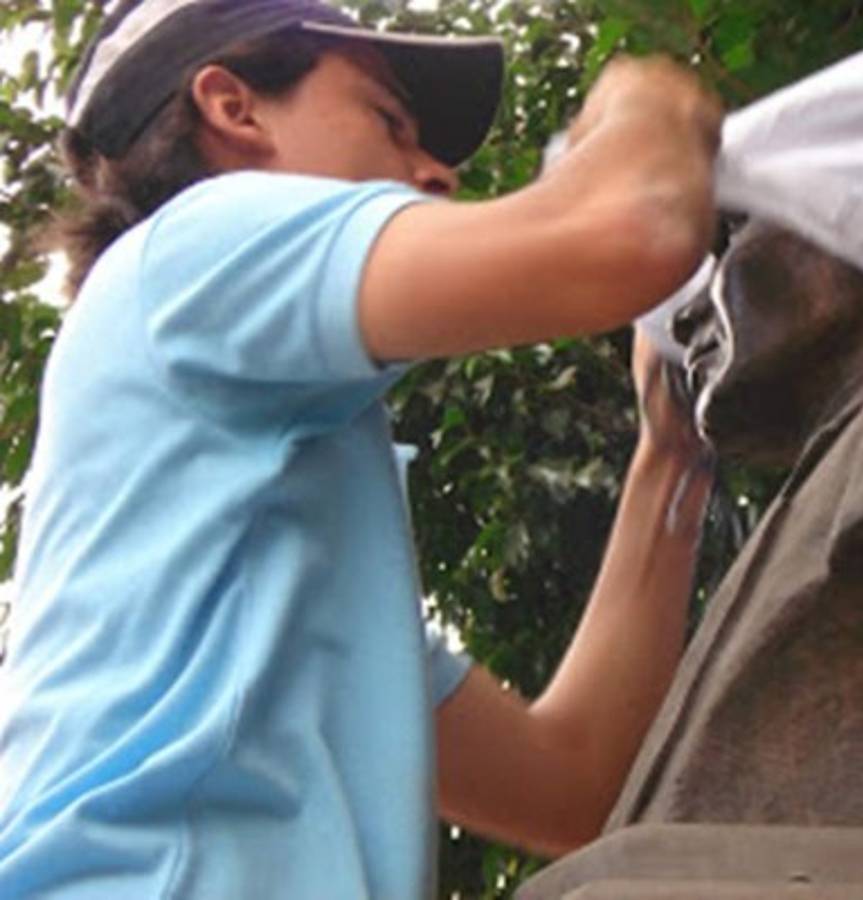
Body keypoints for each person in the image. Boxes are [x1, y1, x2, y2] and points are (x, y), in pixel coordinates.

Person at [0, 1, 721, 897]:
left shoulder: (282, 580)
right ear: (232, 107)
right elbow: (628, 230)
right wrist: (647, 98)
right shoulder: (192, 243)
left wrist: (670, 451)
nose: (438, 173)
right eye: (389, 121)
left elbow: (570, 787)